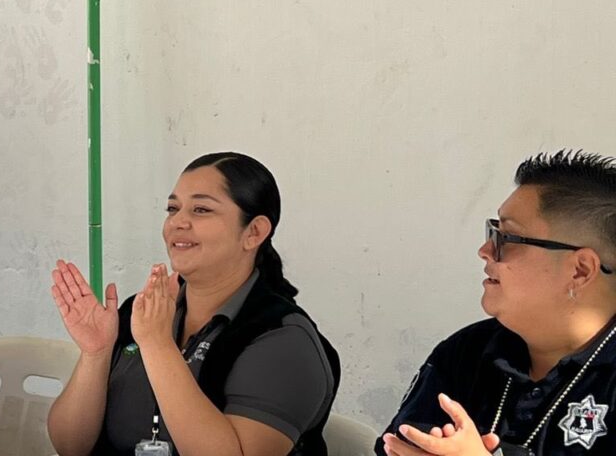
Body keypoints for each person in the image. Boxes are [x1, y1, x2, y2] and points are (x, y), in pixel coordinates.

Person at [49, 152, 340, 456]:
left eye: (201, 209)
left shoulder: (284, 341)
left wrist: (158, 345)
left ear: (254, 232)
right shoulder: (144, 312)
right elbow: (70, 447)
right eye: (172, 209)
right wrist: (96, 354)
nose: (177, 222)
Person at [379, 150, 616, 456]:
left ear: (580, 270)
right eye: (493, 231)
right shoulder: (469, 352)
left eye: (508, 238)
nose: (485, 250)